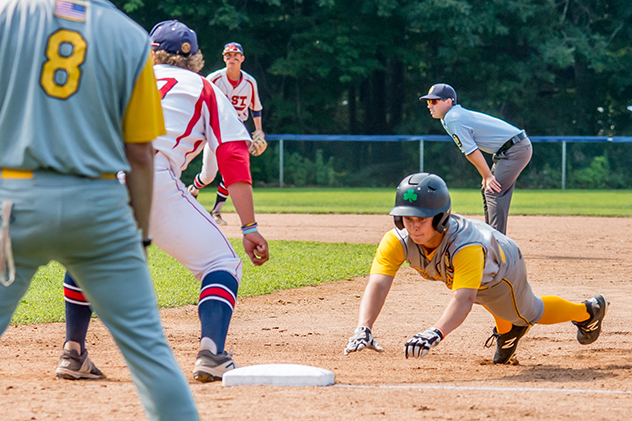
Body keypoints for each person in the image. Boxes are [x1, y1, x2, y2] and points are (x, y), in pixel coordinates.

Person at [0, 2, 198, 420]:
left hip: (13, 198)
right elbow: (141, 154)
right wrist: (139, 236)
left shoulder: (7, 13)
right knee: (149, 352)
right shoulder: (128, 35)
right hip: (99, 203)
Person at [57, 20, 269, 383]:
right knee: (221, 262)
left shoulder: (122, 79)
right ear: (196, 58)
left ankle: (73, 351)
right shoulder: (204, 87)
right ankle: (211, 353)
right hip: (150, 177)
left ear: (151, 53)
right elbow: (233, 156)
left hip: (92, 177)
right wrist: (249, 227)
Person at [344, 172, 607, 364]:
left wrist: (436, 332)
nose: (413, 226)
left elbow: (464, 299)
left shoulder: (465, 247)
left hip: (501, 266)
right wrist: (363, 327)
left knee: (527, 311)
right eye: (407, 218)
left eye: (422, 219)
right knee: (487, 298)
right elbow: (378, 283)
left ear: (440, 217)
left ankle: (588, 312)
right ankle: (509, 331)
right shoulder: (396, 241)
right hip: (470, 268)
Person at [421, 83, 532, 235]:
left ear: (448, 102)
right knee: (489, 189)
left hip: (515, 149)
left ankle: (497, 242)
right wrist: (486, 177)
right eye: (428, 101)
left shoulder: (453, 118)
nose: (429, 105)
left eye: (434, 101)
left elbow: (471, 151)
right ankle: (493, 236)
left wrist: (487, 175)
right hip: (512, 148)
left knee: (493, 191)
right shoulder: (449, 117)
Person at [188, 41, 266, 226]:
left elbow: (255, 108)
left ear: (242, 59)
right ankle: (194, 189)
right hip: (214, 130)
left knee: (233, 173)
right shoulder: (213, 79)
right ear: (224, 58)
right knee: (207, 176)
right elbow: (200, 103)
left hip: (237, 131)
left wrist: (259, 130)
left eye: (235, 55)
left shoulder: (249, 82)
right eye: (228, 56)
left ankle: (216, 212)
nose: (232, 58)